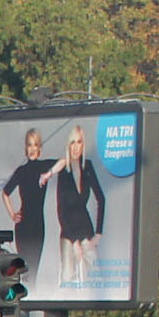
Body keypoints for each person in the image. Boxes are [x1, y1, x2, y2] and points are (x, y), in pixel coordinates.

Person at [51, 120, 106, 291]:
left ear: (83, 144)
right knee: (67, 277)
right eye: (72, 142)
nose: (76, 147)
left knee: (96, 277)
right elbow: (61, 209)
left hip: (86, 231)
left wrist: (98, 233)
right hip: (68, 233)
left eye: (79, 142)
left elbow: (101, 199)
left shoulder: (87, 167)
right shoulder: (63, 170)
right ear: (68, 145)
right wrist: (74, 242)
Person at [0, 126, 53, 282]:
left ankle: (33, 301)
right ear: (25, 148)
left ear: (40, 147)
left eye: (35, 145)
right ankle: (23, 301)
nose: (32, 149)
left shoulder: (44, 166)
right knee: (24, 271)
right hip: (23, 227)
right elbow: (5, 192)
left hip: (38, 226)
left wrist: (49, 173)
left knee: (34, 270)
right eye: (29, 145)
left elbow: (65, 161)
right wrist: (12, 214)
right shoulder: (21, 171)